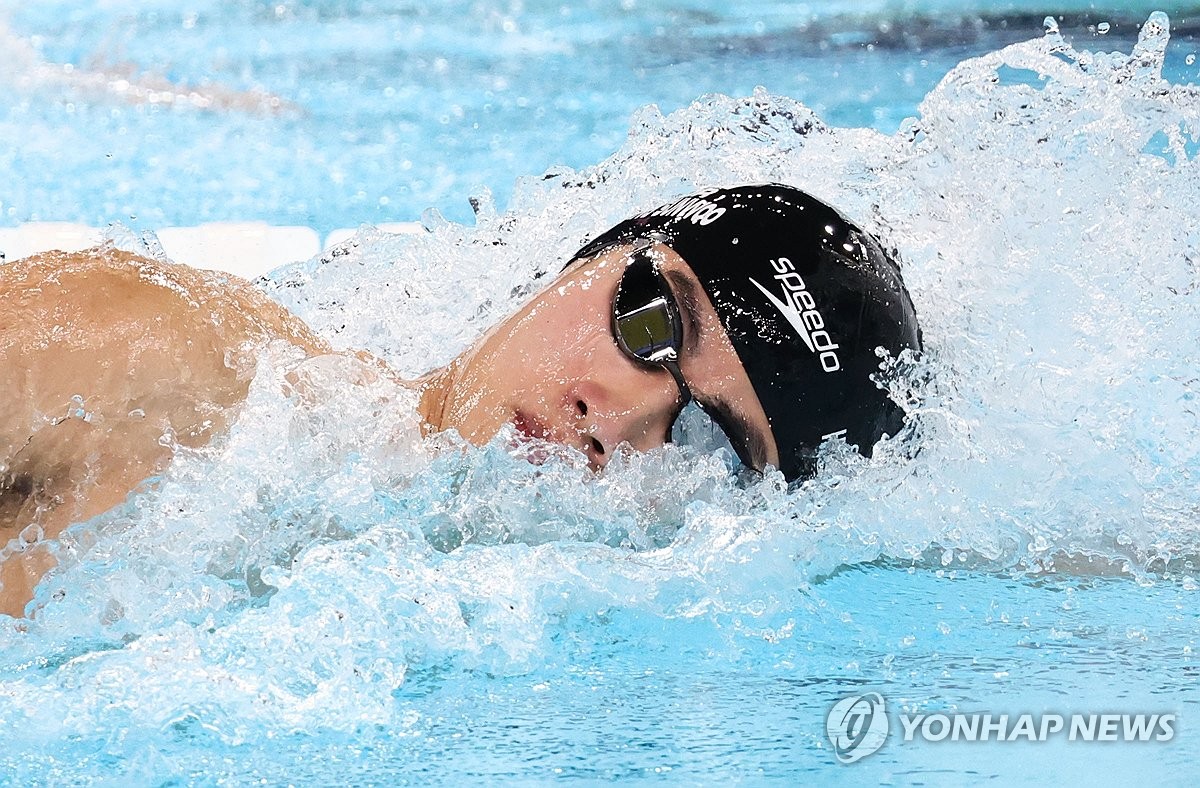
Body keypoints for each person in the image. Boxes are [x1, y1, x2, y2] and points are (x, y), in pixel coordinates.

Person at [0, 184, 920, 615]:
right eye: (651, 325)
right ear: (595, 252)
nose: (618, 418)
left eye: (706, 442)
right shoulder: (166, 358)